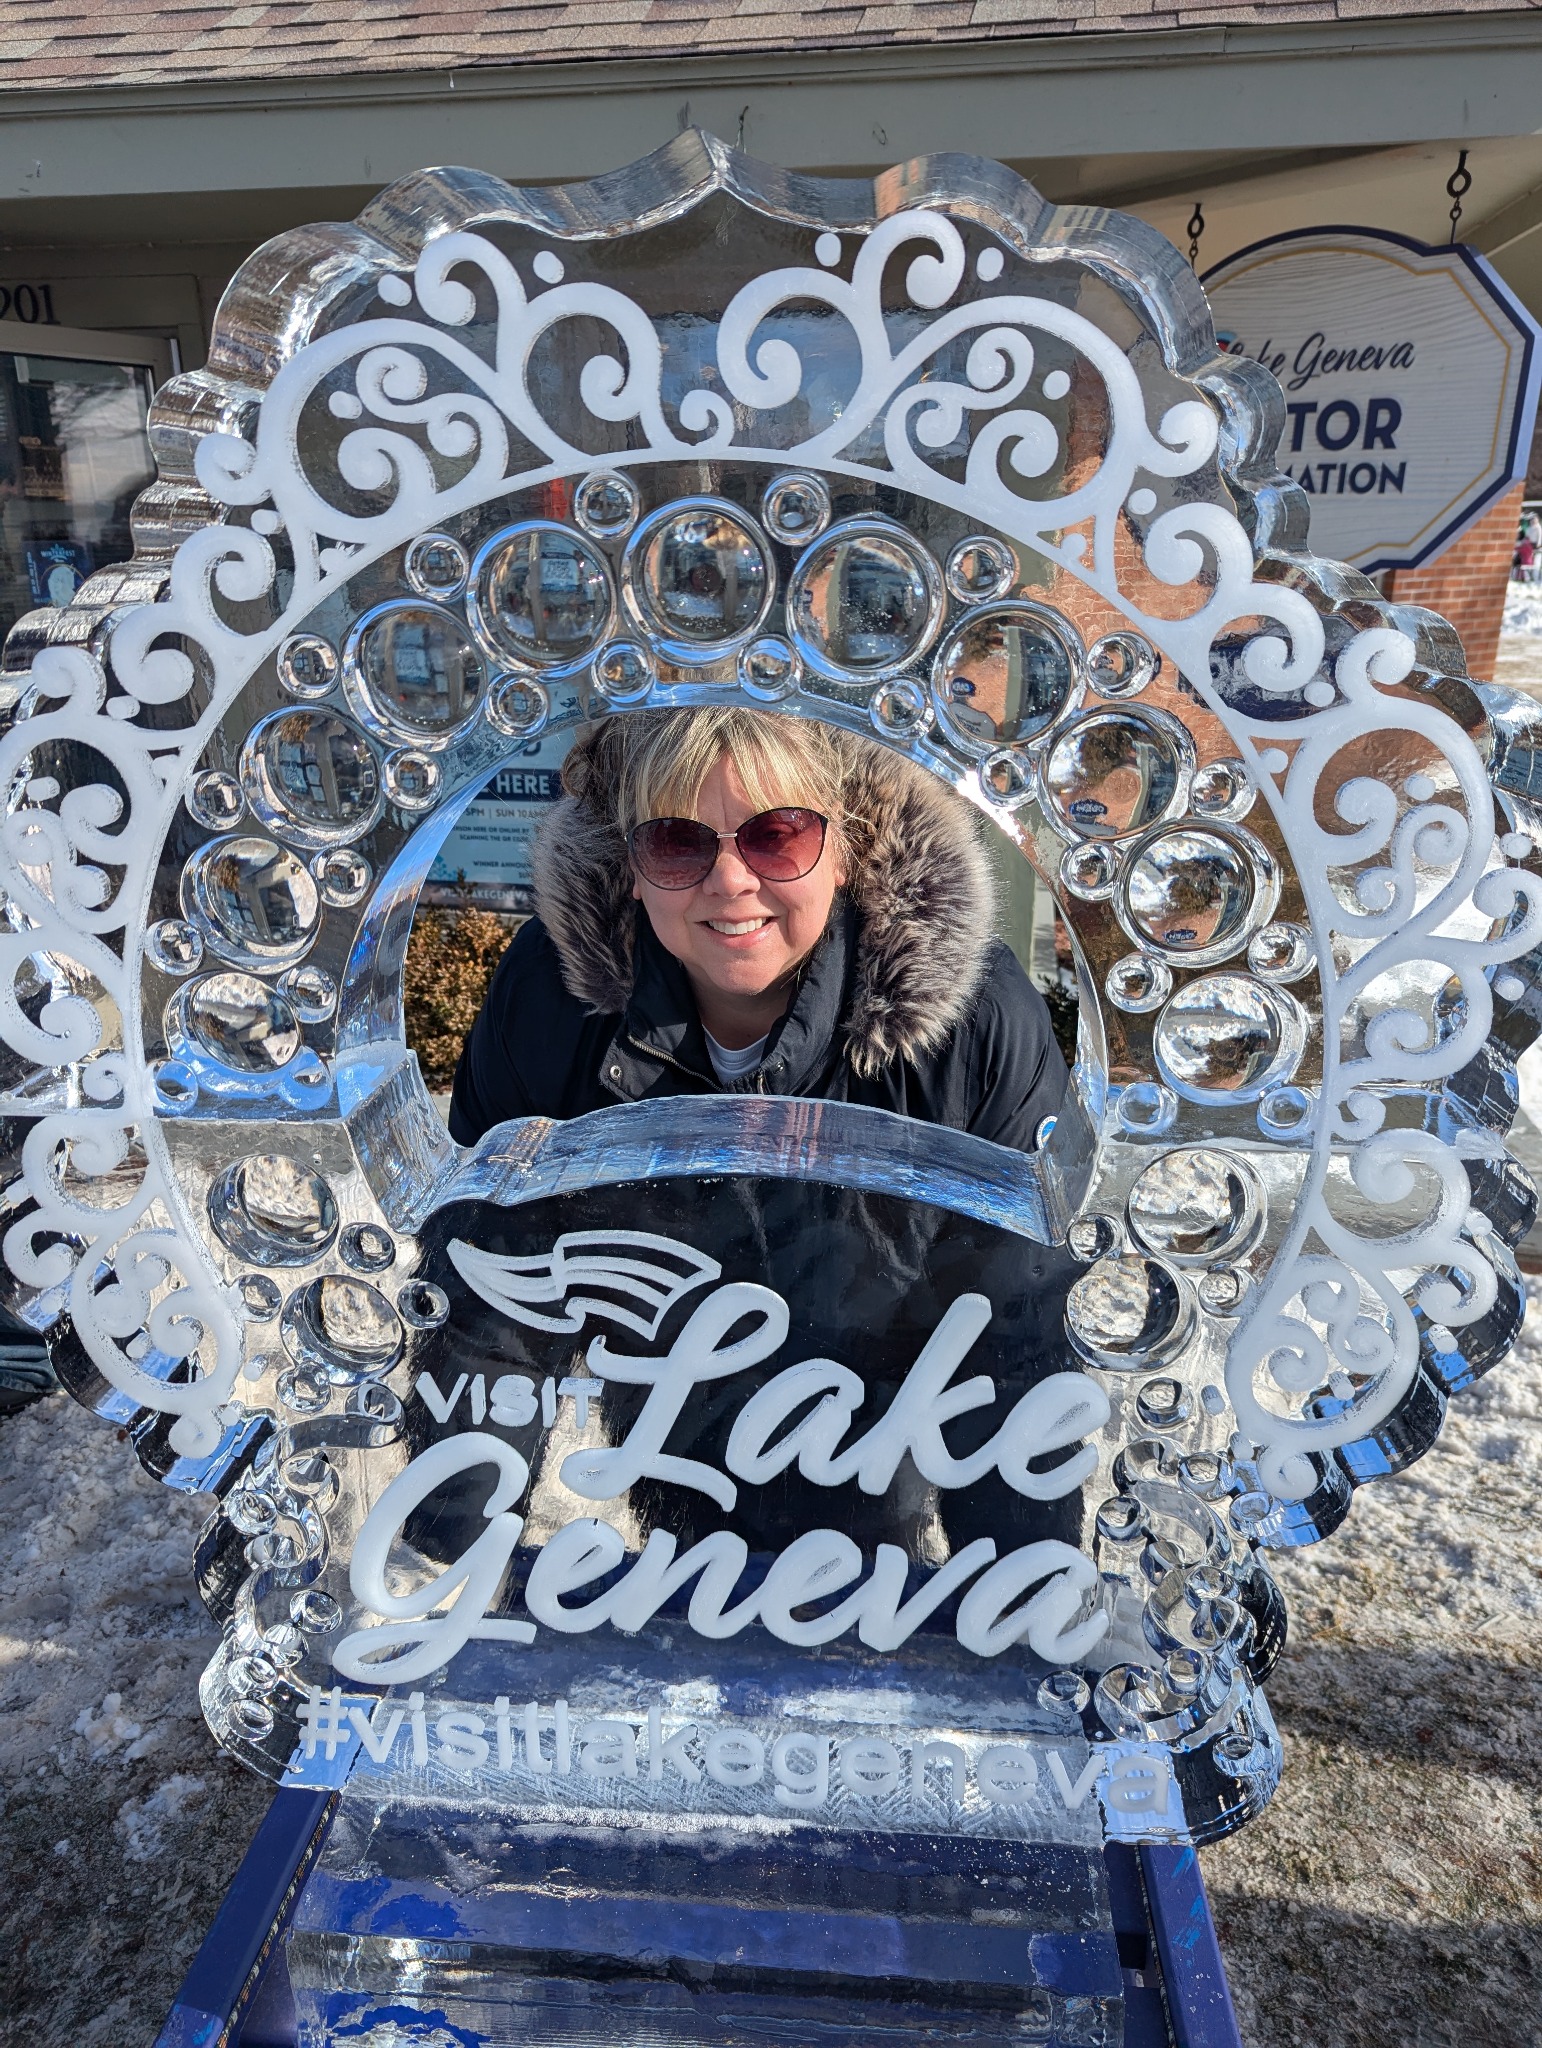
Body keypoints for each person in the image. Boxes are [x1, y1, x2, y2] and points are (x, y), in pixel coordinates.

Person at [449, 706, 1069, 1152]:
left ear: (845, 852)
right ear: (630, 867)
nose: (729, 881)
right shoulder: (544, 995)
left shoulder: (979, 1028)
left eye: (776, 836)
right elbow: (476, 1235)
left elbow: (1025, 1277)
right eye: (675, 841)